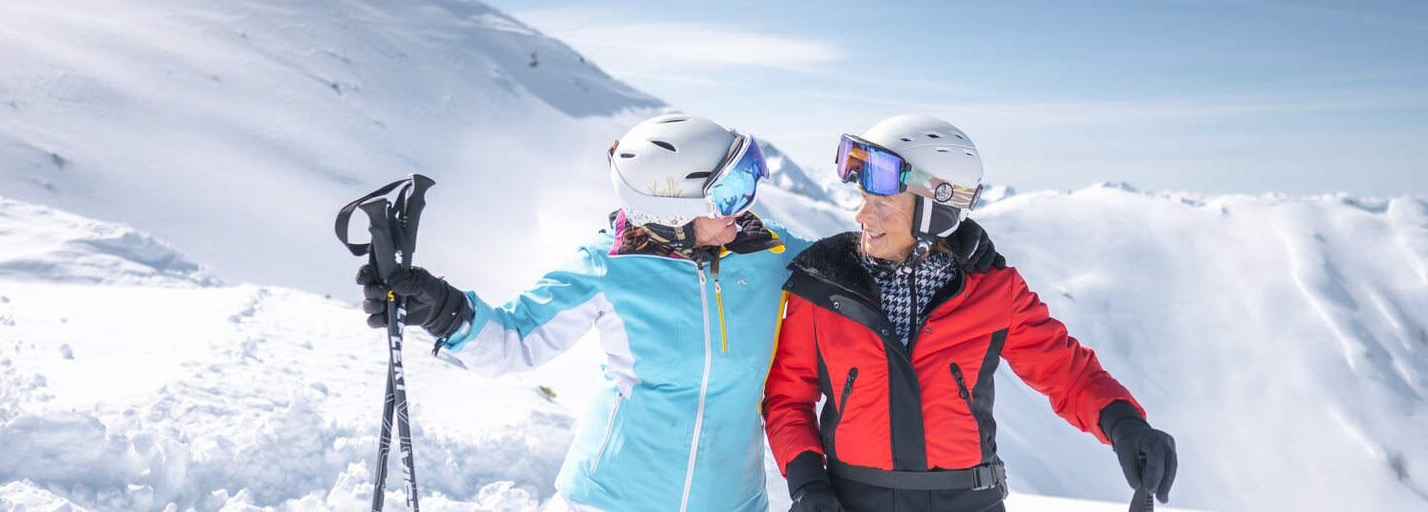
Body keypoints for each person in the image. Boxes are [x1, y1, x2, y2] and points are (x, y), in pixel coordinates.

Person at [355, 113, 1004, 512]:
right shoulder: (608, 269)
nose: (747, 202)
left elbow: (867, 266)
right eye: (729, 190)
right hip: (612, 502)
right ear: (669, 209)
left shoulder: (773, 255)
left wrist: (947, 237)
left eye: (749, 178)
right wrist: (439, 308)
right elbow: (514, 342)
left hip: (735, 503)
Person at [763, 115, 1178, 511]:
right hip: (853, 501)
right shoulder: (823, 287)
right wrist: (808, 485)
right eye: (862, 198)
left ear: (936, 207)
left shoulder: (995, 291)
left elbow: (1068, 373)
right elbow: (787, 399)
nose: (862, 215)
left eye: (884, 202)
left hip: (969, 501)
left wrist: (1125, 424)